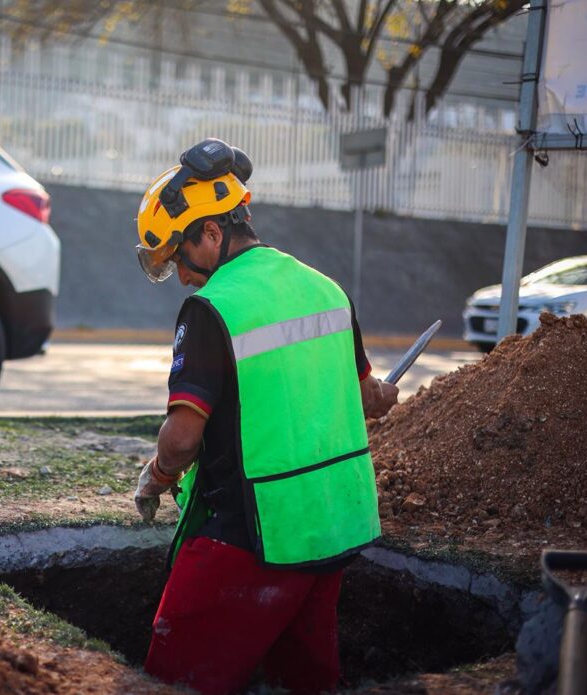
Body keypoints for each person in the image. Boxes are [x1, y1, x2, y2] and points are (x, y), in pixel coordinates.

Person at [133, 138, 399, 695]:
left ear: (210, 233)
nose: (181, 276)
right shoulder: (326, 289)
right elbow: (367, 394)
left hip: (251, 536)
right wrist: (378, 399)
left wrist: (157, 476)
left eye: (178, 258)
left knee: (172, 679)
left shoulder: (213, 307)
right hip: (333, 526)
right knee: (304, 681)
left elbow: (182, 438)